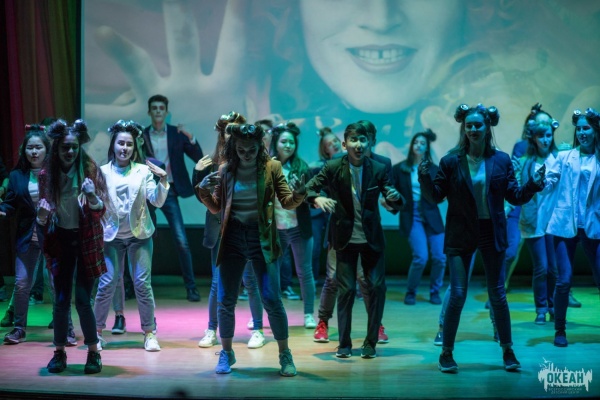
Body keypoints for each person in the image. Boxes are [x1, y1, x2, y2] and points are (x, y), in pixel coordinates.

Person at [419, 104, 545, 373]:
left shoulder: (501, 160)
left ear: (487, 128)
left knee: (497, 293)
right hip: (461, 232)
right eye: (469, 125)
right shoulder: (451, 161)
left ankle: (508, 350)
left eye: (478, 125)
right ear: (464, 129)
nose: (473, 129)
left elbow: (514, 196)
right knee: (458, 294)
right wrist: (424, 177)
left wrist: (533, 184)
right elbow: (436, 196)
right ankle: (446, 353)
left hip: (491, 231)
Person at [197, 122, 305, 376]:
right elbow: (216, 207)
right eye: (241, 150)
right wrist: (203, 191)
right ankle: (226, 353)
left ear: (260, 147)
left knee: (271, 299)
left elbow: (287, 202)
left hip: (262, 237)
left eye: (252, 150)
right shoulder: (225, 170)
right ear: (234, 148)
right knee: (226, 300)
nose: (246, 154)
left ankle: (285, 354)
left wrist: (299, 194)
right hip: (233, 237)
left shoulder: (272, 167)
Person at [305, 122, 404, 359]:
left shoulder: (379, 167)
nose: (358, 145)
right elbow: (308, 189)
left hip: (371, 239)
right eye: (353, 140)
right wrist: (317, 199)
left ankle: (370, 342)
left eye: (362, 140)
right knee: (346, 289)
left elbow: (394, 200)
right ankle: (344, 344)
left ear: (369, 143)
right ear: (345, 144)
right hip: (344, 238)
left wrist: (394, 198)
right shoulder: (333, 166)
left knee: (377, 287)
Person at [37, 119, 108, 374]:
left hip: (86, 240)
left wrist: (92, 196)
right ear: (56, 149)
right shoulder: (47, 175)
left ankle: (93, 352)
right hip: (61, 241)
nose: (70, 151)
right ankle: (59, 352)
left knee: (83, 300)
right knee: (60, 299)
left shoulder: (89, 170)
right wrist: (41, 217)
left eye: (74, 147)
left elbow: (101, 211)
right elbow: (43, 218)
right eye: (65, 147)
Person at [94, 120, 169, 352]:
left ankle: (149, 333)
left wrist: (163, 180)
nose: (124, 148)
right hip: (112, 237)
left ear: (134, 147)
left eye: (128, 144)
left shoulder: (143, 171)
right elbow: (94, 203)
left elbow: (156, 200)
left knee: (142, 284)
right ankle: (96, 333)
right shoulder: (102, 172)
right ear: (113, 145)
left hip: (140, 235)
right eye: (120, 143)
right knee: (107, 283)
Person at [194, 112, 265, 350]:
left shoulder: (253, 161)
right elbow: (207, 200)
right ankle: (211, 329)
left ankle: (258, 329)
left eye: (235, 129)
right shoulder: (216, 163)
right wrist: (198, 174)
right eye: (227, 130)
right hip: (220, 228)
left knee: (251, 281)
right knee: (217, 283)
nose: (231, 134)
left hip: (247, 229)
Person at [544, 108, 600, 347]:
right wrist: (539, 180)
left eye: (587, 128)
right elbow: (549, 180)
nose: (582, 132)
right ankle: (560, 329)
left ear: (596, 130)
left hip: (593, 226)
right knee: (564, 280)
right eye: (579, 128)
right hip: (565, 225)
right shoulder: (566, 156)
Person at [140, 94, 203, 302]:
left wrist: (191, 137)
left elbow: (198, 157)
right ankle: (134, 287)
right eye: (154, 108)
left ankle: (191, 288)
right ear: (149, 112)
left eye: (161, 108)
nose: (158, 111)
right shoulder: (142, 135)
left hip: (170, 190)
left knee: (181, 241)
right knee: (140, 238)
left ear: (166, 112)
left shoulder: (176, 134)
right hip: (148, 190)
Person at [1, 125, 52, 344]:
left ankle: (65, 326)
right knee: (22, 284)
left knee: (55, 284)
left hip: (52, 235)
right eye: (30, 148)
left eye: (38, 147)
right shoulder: (16, 176)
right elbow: (10, 204)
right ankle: (19, 328)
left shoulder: (55, 174)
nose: (34, 152)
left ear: (46, 150)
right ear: (24, 150)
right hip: (26, 236)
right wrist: (3, 209)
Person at [514, 105, 561, 325]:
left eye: (548, 135)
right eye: (540, 136)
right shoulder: (526, 161)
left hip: (554, 221)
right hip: (533, 220)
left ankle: (553, 305)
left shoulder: (560, 158)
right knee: (541, 267)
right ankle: (541, 308)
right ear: (533, 138)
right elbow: (516, 189)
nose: (545, 139)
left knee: (554, 269)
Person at [269, 122, 316, 328]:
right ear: (275, 143)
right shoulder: (267, 165)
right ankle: (265, 315)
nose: (288, 145)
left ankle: (309, 314)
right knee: (270, 273)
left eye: (292, 142)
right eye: (284, 141)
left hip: (298, 227)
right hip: (275, 228)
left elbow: (312, 195)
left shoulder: (302, 167)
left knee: (305, 272)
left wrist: (304, 193)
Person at [391, 130, 446, 306]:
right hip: (412, 214)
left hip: (431, 215)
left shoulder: (434, 169)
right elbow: (390, 191)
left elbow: (440, 194)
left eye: (422, 143)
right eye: (416, 142)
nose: (419, 145)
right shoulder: (400, 169)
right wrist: (389, 202)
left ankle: (435, 292)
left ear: (427, 147)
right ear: (411, 146)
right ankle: (411, 292)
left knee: (440, 257)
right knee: (421, 257)